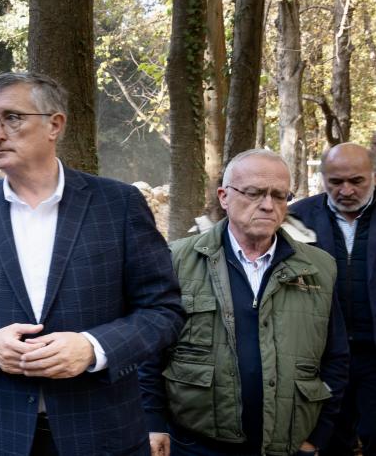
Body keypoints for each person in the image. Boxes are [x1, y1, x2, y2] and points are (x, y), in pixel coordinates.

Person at [0, 71, 185, 456]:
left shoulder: (118, 205)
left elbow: (164, 310)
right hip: (5, 437)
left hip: (104, 435)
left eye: (12, 118)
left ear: (54, 125)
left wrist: (93, 348)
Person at [141, 149, 350, 456]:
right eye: (254, 193)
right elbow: (149, 353)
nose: (268, 205)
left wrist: (317, 436)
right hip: (196, 444)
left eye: (280, 196)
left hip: (288, 446)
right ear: (224, 196)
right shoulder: (175, 261)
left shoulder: (319, 268)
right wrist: (154, 421)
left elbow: (336, 358)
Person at [289, 142, 376, 455]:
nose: (347, 190)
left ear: (373, 175)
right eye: (336, 182)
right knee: (327, 438)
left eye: (357, 181)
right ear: (323, 178)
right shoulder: (296, 219)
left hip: (374, 354)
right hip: (322, 356)